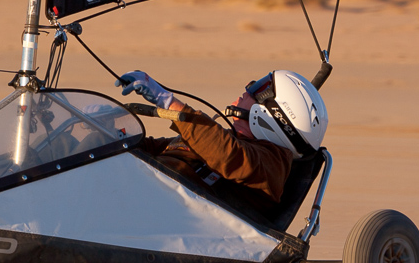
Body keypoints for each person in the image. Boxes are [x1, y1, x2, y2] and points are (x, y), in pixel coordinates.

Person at [116, 69, 327, 220]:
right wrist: (109, 132)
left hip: (163, 214)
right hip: (140, 196)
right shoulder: (225, 139)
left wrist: (167, 101)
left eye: (257, 88)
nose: (247, 89)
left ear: (272, 113)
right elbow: (150, 149)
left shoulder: (272, 163)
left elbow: (229, 156)